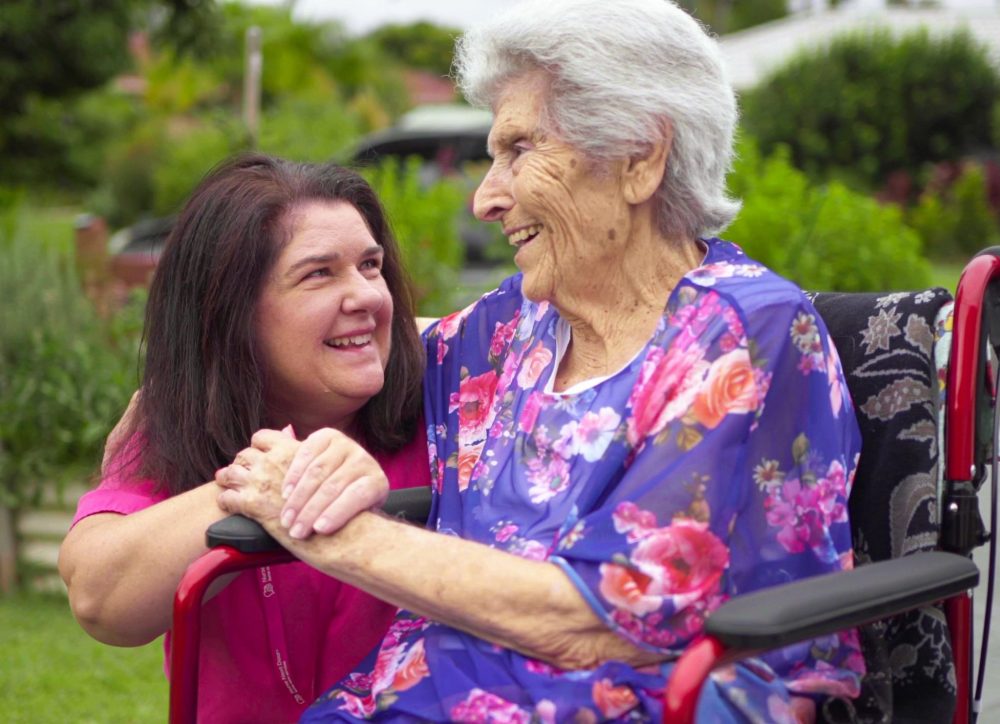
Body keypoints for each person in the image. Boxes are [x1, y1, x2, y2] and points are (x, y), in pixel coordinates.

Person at [215, 0, 865, 720]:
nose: (485, 199)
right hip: (439, 693)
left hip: (658, 696)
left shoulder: (742, 333)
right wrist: (172, 384)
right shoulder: (514, 329)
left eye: (519, 150)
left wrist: (338, 534)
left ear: (640, 157)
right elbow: (355, 340)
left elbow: (606, 627)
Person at [57, 154, 430, 723]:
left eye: (370, 265)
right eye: (319, 273)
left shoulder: (452, 399)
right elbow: (101, 602)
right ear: (233, 314)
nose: (368, 298)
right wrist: (261, 483)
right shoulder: (177, 427)